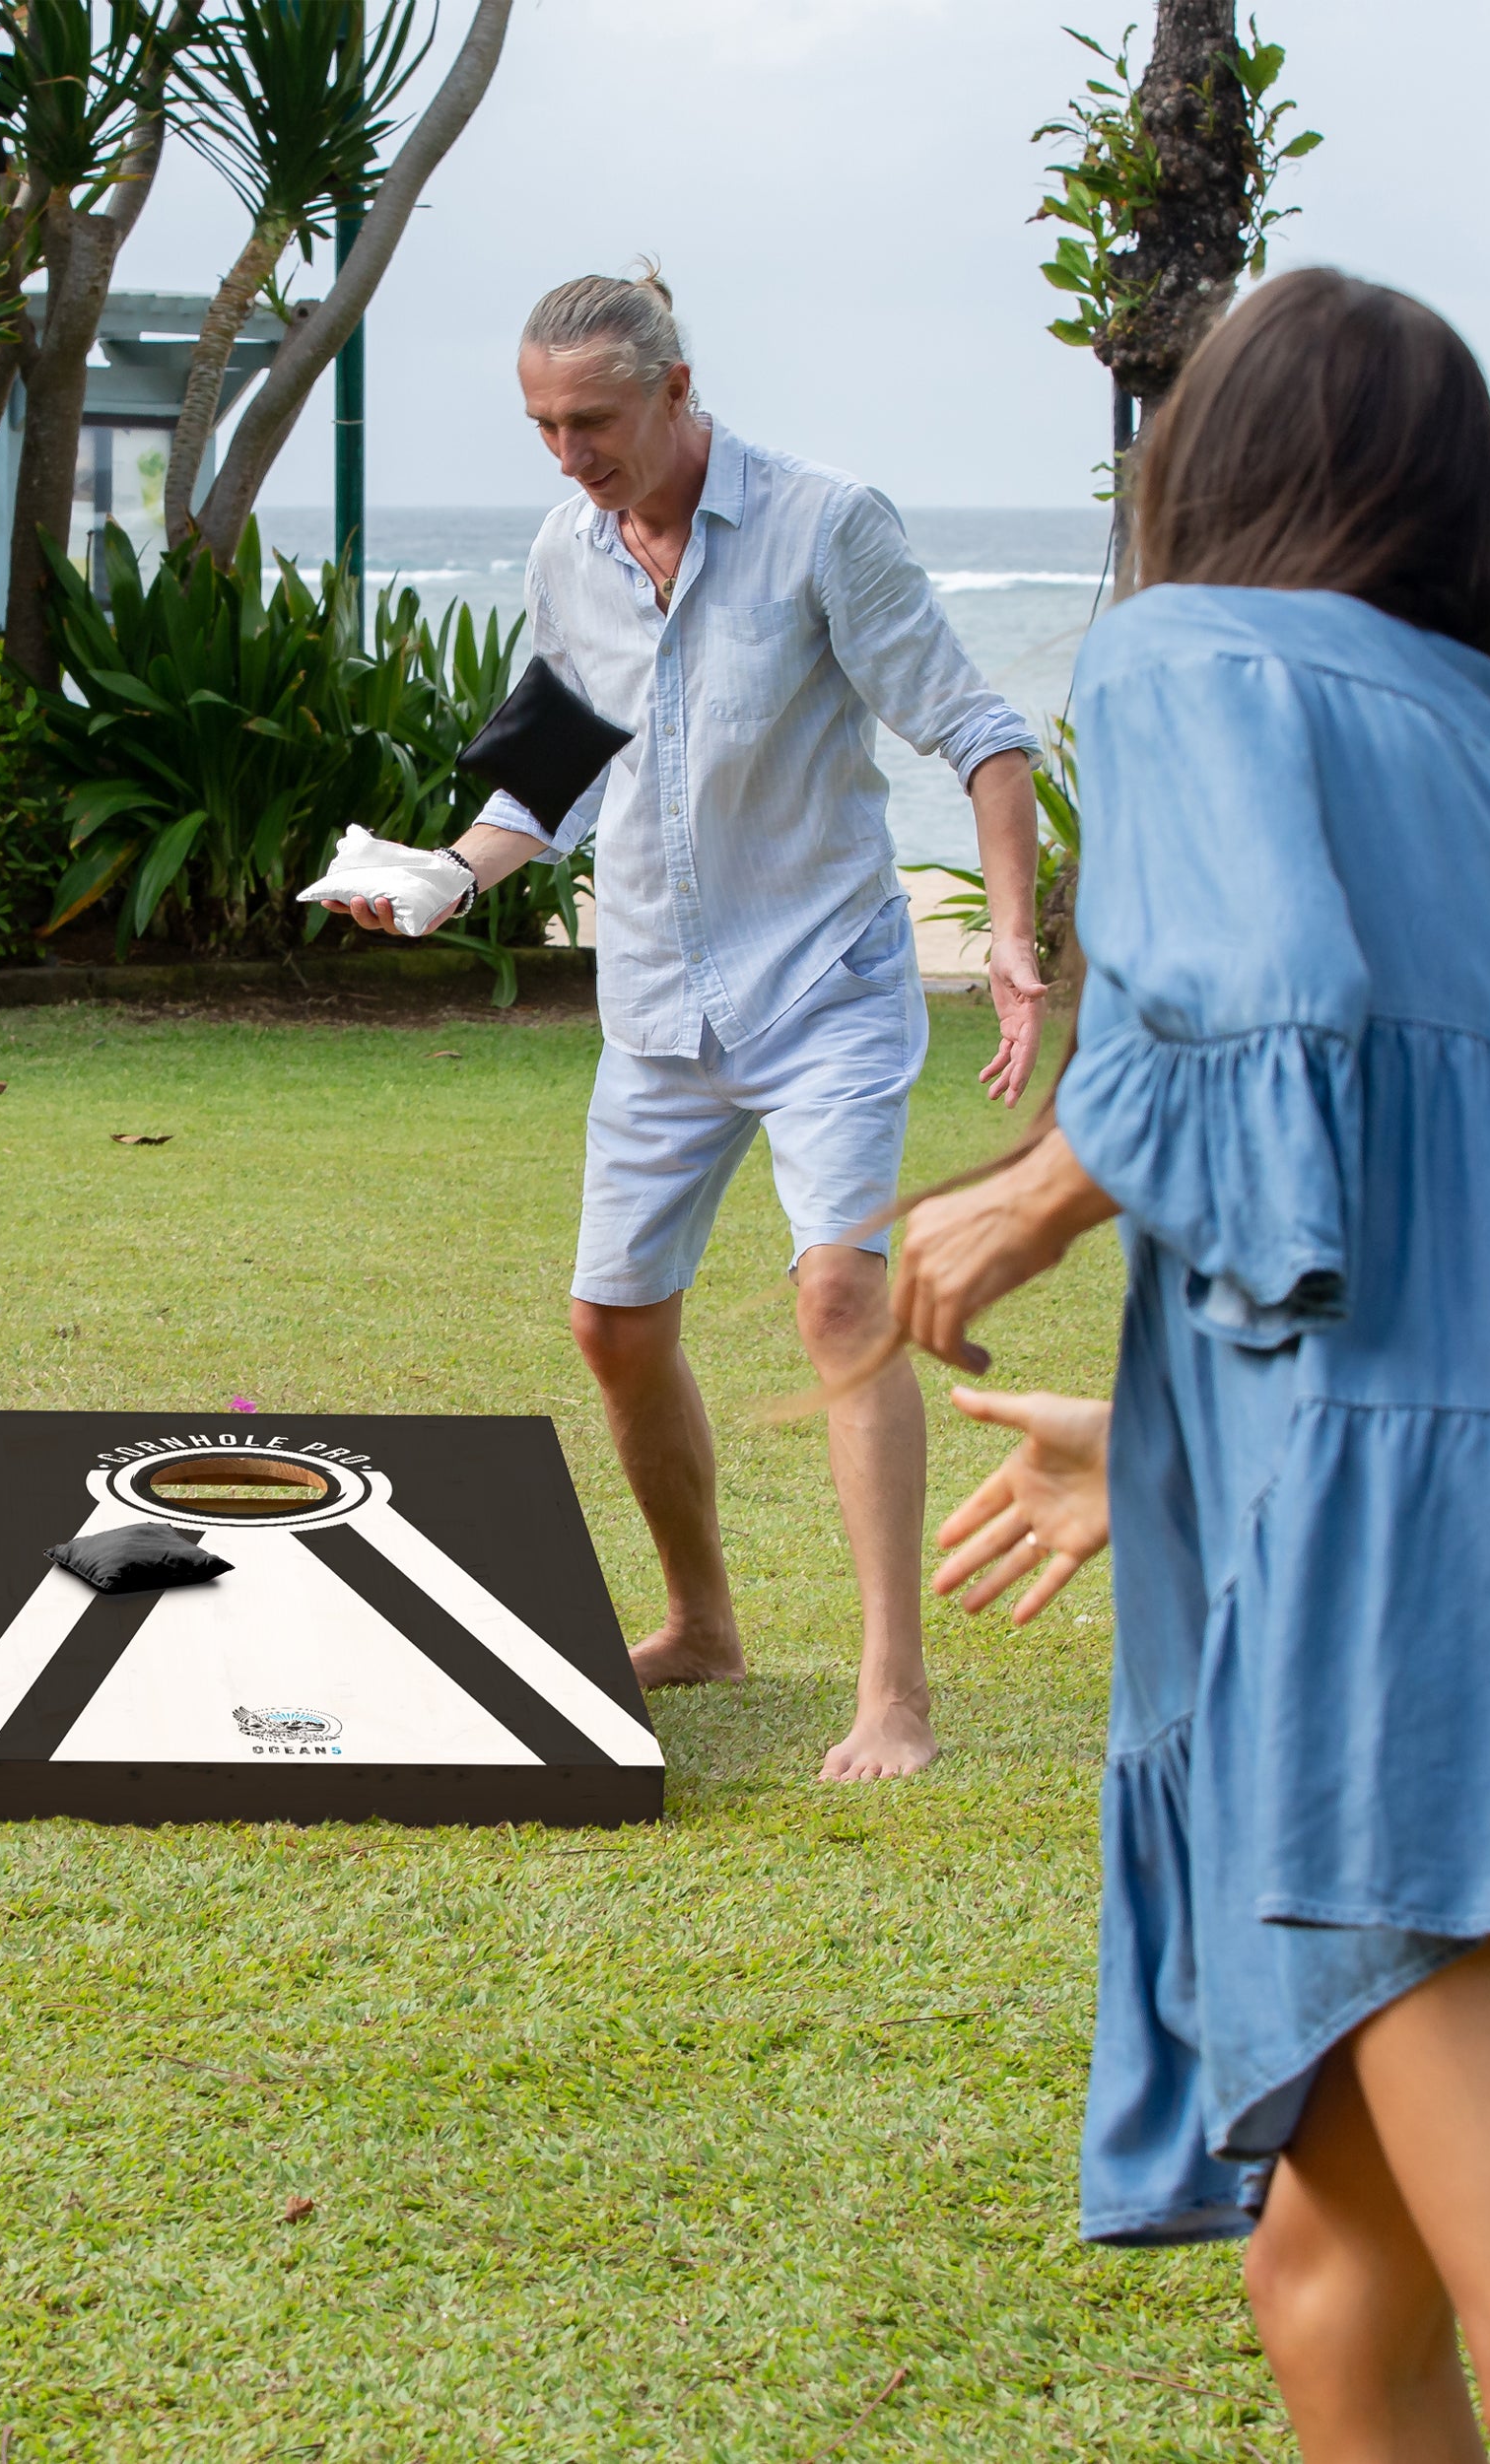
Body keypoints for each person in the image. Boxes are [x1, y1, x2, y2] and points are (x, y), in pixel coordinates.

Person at [893, 269, 1490, 2455]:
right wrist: (1155, 1430)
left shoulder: (1188, 653)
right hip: (1397, 1493)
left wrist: (1034, 1194)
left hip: (1408, 1593)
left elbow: (1266, 1019)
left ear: (1204, 469)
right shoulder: (1479, 727)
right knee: (1329, 2273)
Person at [330, 268, 1045, 1779]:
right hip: (657, 996)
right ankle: (706, 1622)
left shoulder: (826, 524)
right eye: (540, 423)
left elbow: (982, 740)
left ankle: (892, 1689)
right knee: (611, 1327)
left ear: (675, 389)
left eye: (590, 418)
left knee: (840, 1304)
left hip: (826, 991)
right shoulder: (565, 547)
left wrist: (1019, 947)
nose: (566, 452)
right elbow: (550, 769)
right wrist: (448, 881)